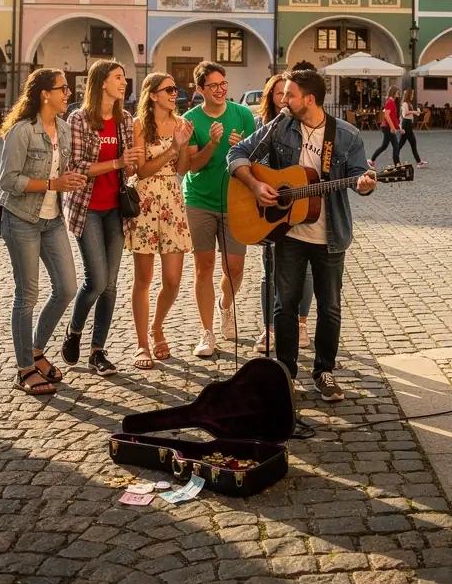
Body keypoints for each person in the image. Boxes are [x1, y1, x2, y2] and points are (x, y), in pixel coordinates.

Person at [229, 68, 376, 402]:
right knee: (285, 306)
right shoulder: (280, 126)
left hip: (331, 235)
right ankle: (285, 373)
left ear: (309, 99)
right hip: (287, 231)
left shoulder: (347, 136)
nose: (284, 99)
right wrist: (255, 184)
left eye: (290, 94)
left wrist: (364, 184)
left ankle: (324, 371)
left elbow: (358, 177)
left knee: (330, 307)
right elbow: (236, 155)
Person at [0, 69, 87, 395]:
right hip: (21, 219)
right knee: (27, 295)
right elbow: (8, 182)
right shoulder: (22, 132)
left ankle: (36, 350)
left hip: (52, 221)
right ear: (44, 94)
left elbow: (62, 172)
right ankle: (24, 370)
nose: (68, 93)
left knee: (66, 287)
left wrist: (71, 179)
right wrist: (52, 183)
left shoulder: (63, 129)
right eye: (63, 89)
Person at [61, 60, 143, 374]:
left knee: (110, 285)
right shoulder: (79, 119)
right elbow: (78, 167)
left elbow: (129, 168)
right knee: (95, 280)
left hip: (115, 209)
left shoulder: (125, 119)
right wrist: (118, 162)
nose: (124, 83)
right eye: (118, 78)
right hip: (87, 207)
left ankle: (98, 351)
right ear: (101, 82)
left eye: (124, 78)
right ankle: (74, 330)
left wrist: (132, 164)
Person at [182, 61, 256, 358]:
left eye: (223, 84)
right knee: (204, 268)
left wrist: (243, 148)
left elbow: (256, 159)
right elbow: (191, 166)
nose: (220, 90)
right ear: (200, 90)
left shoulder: (243, 114)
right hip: (200, 200)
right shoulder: (190, 120)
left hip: (236, 201)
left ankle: (226, 305)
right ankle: (207, 331)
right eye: (213, 86)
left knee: (234, 268)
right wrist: (213, 143)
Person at [125, 72, 193, 368]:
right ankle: (143, 344)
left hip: (173, 200)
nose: (174, 93)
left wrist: (185, 144)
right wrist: (173, 149)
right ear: (152, 95)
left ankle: (157, 325)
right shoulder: (139, 126)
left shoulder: (181, 124)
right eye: (168, 89)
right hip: (146, 201)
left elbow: (184, 169)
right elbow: (141, 171)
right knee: (144, 279)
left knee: (173, 280)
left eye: (175, 88)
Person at [254, 74, 314, 355]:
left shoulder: (302, 127)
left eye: (288, 94)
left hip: (299, 209)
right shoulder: (262, 126)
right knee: (270, 272)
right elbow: (250, 159)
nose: (283, 99)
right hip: (268, 209)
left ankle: (301, 322)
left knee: (306, 273)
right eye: (279, 94)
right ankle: (269, 329)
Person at [369, 87, 401, 169]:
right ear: (394, 92)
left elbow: (393, 117)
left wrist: (399, 128)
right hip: (387, 127)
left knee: (384, 146)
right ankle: (397, 165)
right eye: (397, 92)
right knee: (396, 146)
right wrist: (392, 127)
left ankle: (372, 160)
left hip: (388, 127)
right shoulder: (390, 102)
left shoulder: (392, 102)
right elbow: (387, 115)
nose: (398, 94)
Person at [397, 88, 428, 167]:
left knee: (403, 143)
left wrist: (416, 112)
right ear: (409, 94)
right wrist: (414, 112)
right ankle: (418, 162)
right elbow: (405, 114)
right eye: (412, 94)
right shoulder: (405, 103)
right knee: (411, 143)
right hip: (406, 124)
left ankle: (418, 161)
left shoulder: (409, 103)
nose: (413, 95)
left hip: (408, 124)